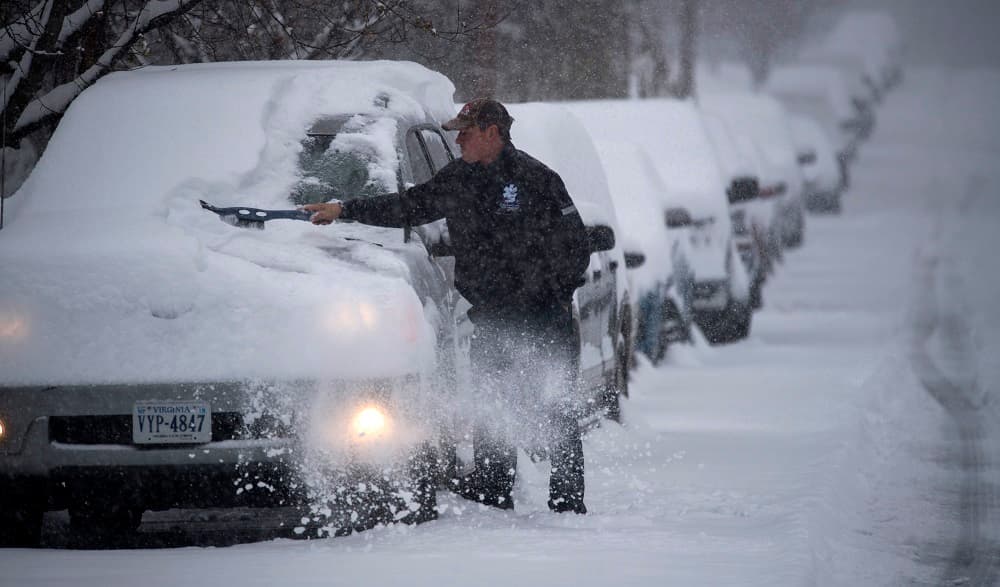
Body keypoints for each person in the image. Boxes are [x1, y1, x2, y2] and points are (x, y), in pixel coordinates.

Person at [304, 99, 591, 514]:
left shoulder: (538, 179)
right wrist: (345, 209)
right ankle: (493, 492)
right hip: (492, 317)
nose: (458, 140)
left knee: (553, 404)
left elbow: (576, 248)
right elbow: (410, 205)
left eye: (466, 132)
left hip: (544, 317)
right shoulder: (460, 179)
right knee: (494, 402)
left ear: (493, 132)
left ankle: (567, 502)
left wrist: (546, 293)